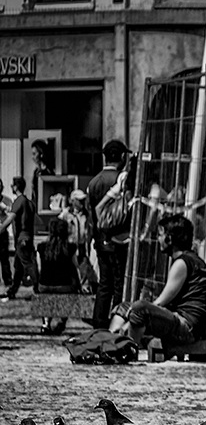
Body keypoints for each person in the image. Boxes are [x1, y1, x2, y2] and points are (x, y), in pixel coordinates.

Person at [109, 214, 206, 349]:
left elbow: (162, 301)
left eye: (160, 235)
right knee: (124, 307)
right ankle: (110, 344)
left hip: (186, 328)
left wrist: (128, 323)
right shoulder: (187, 260)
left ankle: (128, 350)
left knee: (139, 309)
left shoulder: (182, 263)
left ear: (169, 239)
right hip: (178, 321)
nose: (158, 239)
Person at [87, 140, 130, 328]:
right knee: (120, 283)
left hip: (100, 239)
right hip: (120, 238)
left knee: (105, 283)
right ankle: (117, 322)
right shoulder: (123, 180)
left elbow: (91, 217)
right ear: (122, 157)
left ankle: (99, 322)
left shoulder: (94, 182)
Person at [36, 218, 80, 335]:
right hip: (64, 285)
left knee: (46, 296)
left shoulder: (41, 247)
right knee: (71, 293)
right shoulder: (70, 248)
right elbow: (75, 267)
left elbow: (39, 268)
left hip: (44, 284)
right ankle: (62, 321)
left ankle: (45, 323)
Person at [0, 177, 39, 301]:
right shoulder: (30, 202)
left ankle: (39, 288)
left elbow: (10, 218)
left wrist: (0, 229)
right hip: (27, 238)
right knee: (19, 267)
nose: (11, 187)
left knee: (28, 265)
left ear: (16, 187)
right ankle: (13, 290)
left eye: (12, 185)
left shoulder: (19, 201)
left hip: (22, 239)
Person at [60, 189, 95, 292]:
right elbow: (57, 225)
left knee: (84, 265)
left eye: (83, 200)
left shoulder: (87, 215)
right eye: (79, 200)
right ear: (73, 201)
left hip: (82, 244)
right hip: (70, 244)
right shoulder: (66, 214)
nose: (82, 202)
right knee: (70, 266)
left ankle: (84, 287)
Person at [30, 138, 56, 210]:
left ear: (41, 154)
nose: (33, 157)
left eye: (34, 154)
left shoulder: (48, 172)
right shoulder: (36, 171)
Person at [0, 179, 12, 291]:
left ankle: (7, 279)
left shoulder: (6, 200)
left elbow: (10, 215)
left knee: (4, 258)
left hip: (2, 232)